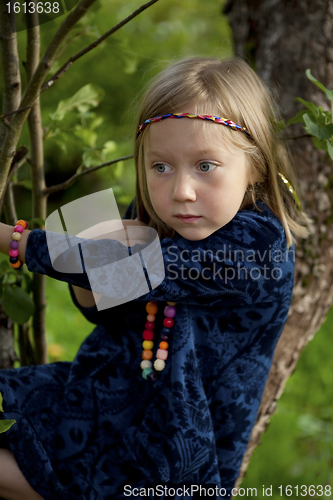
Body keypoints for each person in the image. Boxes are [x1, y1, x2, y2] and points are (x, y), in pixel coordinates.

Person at [0, 56, 309, 500]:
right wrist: (97, 245)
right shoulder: (153, 216)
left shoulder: (257, 246)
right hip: (96, 398)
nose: (181, 191)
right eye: (161, 167)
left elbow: (146, 272)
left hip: (168, 459)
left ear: (255, 166)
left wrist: (15, 241)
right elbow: (100, 310)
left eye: (205, 166)